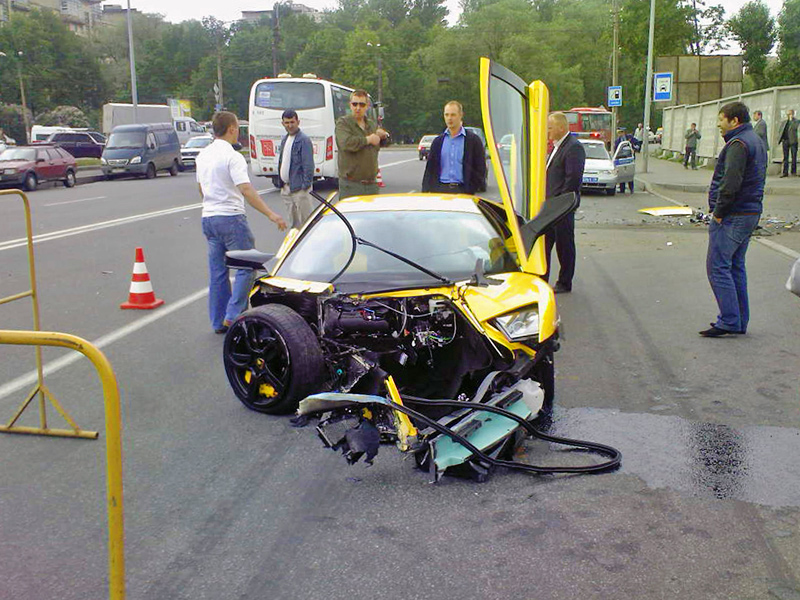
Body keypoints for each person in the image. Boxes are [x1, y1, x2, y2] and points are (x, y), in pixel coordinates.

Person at [196, 111, 287, 334]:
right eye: (237, 127)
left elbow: (201, 188)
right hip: (231, 218)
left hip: (209, 217)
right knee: (247, 267)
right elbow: (245, 189)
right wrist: (270, 214)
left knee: (218, 272)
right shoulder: (233, 157)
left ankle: (217, 322)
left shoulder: (203, 155)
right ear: (232, 129)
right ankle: (234, 315)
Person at [700, 101, 766, 338]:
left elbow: (731, 183)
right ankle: (738, 320)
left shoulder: (738, 144)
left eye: (721, 119)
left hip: (734, 213)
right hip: (750, 211)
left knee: (718, 266)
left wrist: (718, 212)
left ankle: (728, 319)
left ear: (734, 121)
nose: (719, 124)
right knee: (735, 266)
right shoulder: (755, 139)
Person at [545, 112, 586, 294]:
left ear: (561, 128)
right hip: (550, 207)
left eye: (550, 127)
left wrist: (560, 204)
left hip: (562, 208)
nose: (548, 131)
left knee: (564, 246)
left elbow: (572, 180)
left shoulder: (573, 148)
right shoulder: (556, 147)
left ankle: (564, 282)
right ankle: (541, 278)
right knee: (545, 244)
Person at [421, 100, 487, 195]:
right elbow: (430, 169)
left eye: (453, 115)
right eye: (446, 115)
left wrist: (472, 187)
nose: (449, 118)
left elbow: (480, 167)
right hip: (440, 190)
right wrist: (426, 191)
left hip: (463, 191)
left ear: (460, 115)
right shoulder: (438, 142)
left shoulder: (473, 141)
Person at [335, 89, 389, 200]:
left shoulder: (371, 124)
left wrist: (384, 136)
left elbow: (383, 143)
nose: (358, 108)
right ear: (350, 105)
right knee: (350, 216)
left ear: (367, 106)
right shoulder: (343, 123)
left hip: (371, 185)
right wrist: (368, 139)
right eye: (355, 104)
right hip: (351, 185)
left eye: (361, 104)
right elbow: (346, 143)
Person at [276, 109, 315, 229]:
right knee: (293, 225)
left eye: (292, 122)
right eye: (287, 123)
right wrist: (281, 184)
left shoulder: (303, 140)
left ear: (298, 122)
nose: (290, 125)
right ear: (282, 123)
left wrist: (305, 186)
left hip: (300, 189)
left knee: (307, 224)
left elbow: (308, 165)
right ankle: (296, 247)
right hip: (287, 188)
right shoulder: (285, 139)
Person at [778, 108, 798, 177]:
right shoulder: (784, 122)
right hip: (785, 140)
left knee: (793, 156)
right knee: (785, 157)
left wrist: (791, 120)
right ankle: (785, 172)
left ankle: (793, 171)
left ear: (793, 114)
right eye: (788, 114)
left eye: (790, 114)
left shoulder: (796, 121)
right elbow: (780, 130)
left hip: (793, 141)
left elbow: (795, 128)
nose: (789, 115)